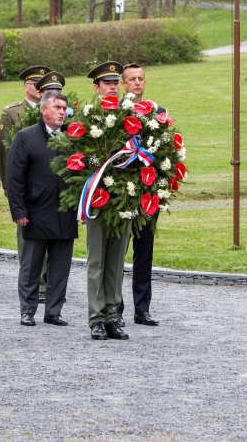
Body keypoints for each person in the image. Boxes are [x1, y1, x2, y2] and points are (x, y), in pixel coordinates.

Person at [7, 90, 77, 327]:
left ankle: (54, 310)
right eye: (57, 107)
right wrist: (19, 211)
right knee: (32, 266)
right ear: (43, 110)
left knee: (60, 266)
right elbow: (15, 177)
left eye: (64, 108)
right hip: (36, 213)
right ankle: (27, 310)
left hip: (65, 212)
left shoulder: (72, 138)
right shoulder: (26, 137)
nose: (61, 112)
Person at [84, 61, 133, 340]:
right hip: (96, 199)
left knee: (116, 260)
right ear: (97, 88)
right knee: (97, 261)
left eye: (116, 83)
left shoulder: (131, 117)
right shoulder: (88, 119)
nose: (113, 87)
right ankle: (96, 317)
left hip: (123, 198)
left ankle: (113, 313)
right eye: (107, 84)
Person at [116, 62, 162, 327]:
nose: (137, 83)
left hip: (148, 192)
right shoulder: (115, 113)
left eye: (141, 79)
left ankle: (142, 308)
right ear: (123, 83)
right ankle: (116, 306)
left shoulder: (158, 113)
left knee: (144, 252)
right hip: (122, 192)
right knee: (118, 254)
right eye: (132, 79)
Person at [0, 65, 50, 304]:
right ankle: (31, 281)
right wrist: (7, 183)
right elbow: (5, 151)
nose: (38, 89)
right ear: (25, 86)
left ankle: (47, 282)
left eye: (42, 84)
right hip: (24, 182)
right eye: (34, 84)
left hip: (48, 182)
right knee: (27, 237)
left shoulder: (56, 110)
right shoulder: (12, 113)